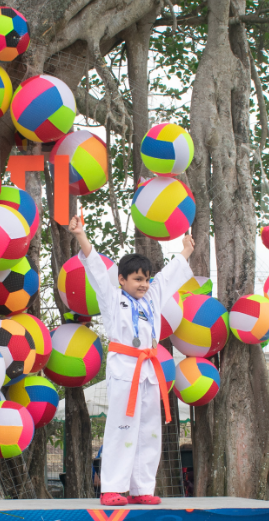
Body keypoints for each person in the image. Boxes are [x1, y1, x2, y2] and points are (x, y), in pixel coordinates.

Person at [68, 215, 195, 506]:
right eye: (137, 278)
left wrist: (186, 250)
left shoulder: (151, 298)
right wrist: (81, 236)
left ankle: (142, 488)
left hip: (150, 371)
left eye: (146, 279)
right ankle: (112, 487)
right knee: (121, 427)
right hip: (125, 369)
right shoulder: (113, 300)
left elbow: (168, 276)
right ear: (122, 279)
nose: (144, 284)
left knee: (150, 429)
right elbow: (98, 272)